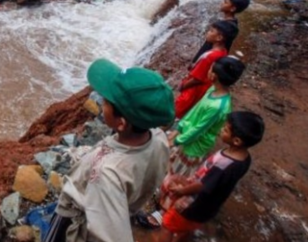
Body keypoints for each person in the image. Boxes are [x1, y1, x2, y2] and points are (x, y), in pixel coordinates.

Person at [44, 58, 174, 242]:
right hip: (125, 205)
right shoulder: (158, 137)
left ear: (121, 123)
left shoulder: (107, 173)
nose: (101, 103)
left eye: (106, 101)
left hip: (77, 220)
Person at [136, 56, 246, 229]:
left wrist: (178, 139)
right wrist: (179, 128)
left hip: (194, 147)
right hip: (186, 137)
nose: (208, 71)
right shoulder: (213, 91)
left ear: (214, 76)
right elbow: (195, 113)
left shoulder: (218, 106)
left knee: (179, 179)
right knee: (171, 168)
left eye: (211, 69)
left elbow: (199, 129)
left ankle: (163, 212)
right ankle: (161, 195)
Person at [154, 111, 265, 242]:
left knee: (167, 225)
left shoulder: (224, 165)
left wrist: (181, 191)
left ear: (236, 141)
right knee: (186, 227)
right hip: (208, 207)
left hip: (193, 205)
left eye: (225, 129)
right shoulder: (245, 159)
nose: (221, 130)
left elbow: (203, 186)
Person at [175, 20, 238, 119]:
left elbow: (197, 79)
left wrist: (183, 86)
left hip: (193, 90)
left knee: (176, 111)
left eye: (211, 31)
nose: (208, 32)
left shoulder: (209, 56)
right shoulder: (223, 51)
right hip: (204, 88)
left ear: (219, 38)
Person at [191, 0, 250, 64]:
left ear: (233, 8)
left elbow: (210, 45)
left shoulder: (228, 26)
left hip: (209, 59)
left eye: (225, 2)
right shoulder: (231, 23)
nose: (222, 3)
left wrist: (196, 61)